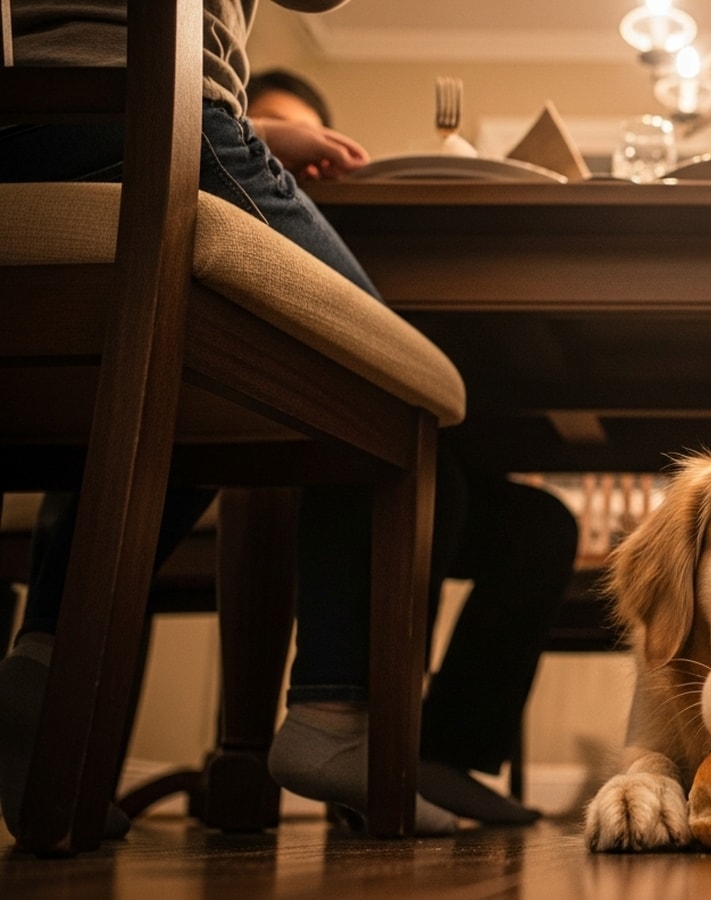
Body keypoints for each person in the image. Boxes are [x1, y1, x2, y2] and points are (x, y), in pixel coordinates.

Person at [0, 0, 570, 840]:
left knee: (195, 386)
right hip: (151, 118)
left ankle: (44, 666)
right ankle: (335, 719)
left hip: (24, 138)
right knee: (390, 394)